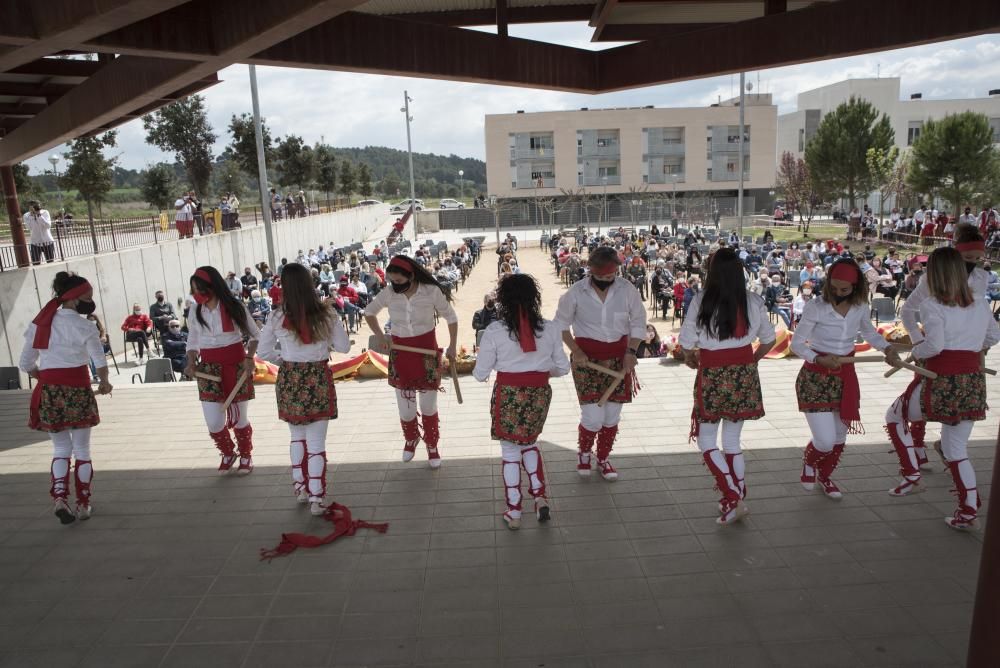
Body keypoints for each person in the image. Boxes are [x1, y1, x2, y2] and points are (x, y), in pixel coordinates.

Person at [884, 248, 1000, 528]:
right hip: (971, 381)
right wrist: (968, 347)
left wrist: (915, 350)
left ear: (934, 274)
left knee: (894, 416)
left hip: (940, 380)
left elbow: (934, 346)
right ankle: (968, 509)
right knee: (955, 448)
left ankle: (912, 474)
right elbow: (993, 335)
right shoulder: (980, 303)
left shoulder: (933, 304)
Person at [679, 248, 775, 524]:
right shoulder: (753, 301)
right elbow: (769, 339)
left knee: (706, 439)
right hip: (743, 374)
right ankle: (736, 495)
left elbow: (686, 341)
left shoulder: (700, 300)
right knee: (732, 440)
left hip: (712, 374)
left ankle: (732, 496)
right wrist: (751, 360)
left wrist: (689, 356)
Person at [791, 259, 900, 500]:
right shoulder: (816, 307)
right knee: (825, 440)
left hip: (845, 375)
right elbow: (797, 344)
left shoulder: (860, 306)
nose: (838, 294)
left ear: (856, 286)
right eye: (834, 288)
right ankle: (809, 462)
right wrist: (818, 359)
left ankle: (825, 476)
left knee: (840, 436)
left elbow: (869, 332)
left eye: (845, 290)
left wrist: (888, 349)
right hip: (816, 377)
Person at [473, 274, 569, 530]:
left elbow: (480, 374)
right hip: (538, 394)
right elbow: (562, 368)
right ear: (533, 298)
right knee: (529, 442)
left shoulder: (494, 331)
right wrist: (538, 371)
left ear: (503, 300)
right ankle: (539, 496)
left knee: (510, 451)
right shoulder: (550, 328)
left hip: (509, 396)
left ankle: (514, 509)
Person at [258, 263, 350, 516]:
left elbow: (263, 352)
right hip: (318, 377)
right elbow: (344, 347)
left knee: (296, 436)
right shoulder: (327, 314)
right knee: (316, 440)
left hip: (290, 378)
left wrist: (286, 360)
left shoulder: (276, 316)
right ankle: (316, 498)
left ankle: (301, 488)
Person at [20, 272, 112, 523]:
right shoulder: (85, 325)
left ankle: (60, 497)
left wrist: (47, 377)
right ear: (73, 298)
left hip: (49, 392)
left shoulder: (39, 323)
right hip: (79, 390)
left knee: (60, 448)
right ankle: (83, 503)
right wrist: (104, 382)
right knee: (82, 448)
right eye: (88, 297)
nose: (91, 301)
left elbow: (26, 363)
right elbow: (99, 360)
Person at [555, 246, 646, 482]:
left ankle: (603, 458)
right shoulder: (576, 293)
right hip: (587, 362)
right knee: (593, 416)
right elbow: (560, 326)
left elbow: (638, 322)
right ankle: (584, 452)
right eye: (604, 276)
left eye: (612, 275)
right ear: (592, 271)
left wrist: (631, 351)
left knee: (612, 416)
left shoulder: (627, 290)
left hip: (619, 360)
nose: (609, 280)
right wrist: (576, 350)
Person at [364, 255, 458, 468]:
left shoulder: (430, 291)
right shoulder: (389, 293)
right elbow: (369, 312)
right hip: (401, 353)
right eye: (391, 281)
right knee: (405, 407)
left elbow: (451, 317)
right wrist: (380, 336)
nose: (393, 285)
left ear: (411, 276)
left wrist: (452, 345)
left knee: (428, 405)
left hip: (426, 352)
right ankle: (411, 438)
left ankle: (432, 445)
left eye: (397, 281)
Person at [183, 266, 259, 475]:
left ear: (213, 286)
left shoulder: (234, 306)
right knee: (214, 421)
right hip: (207, 368)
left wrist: (249, 357)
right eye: (194, 290)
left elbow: (254, 335)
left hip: (235, 365)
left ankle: (245, 454)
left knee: (239, 418)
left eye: (200, 289)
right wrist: (191, 361)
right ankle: (227, 452)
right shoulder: (195, 310)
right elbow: (193, 340)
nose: (197, 294)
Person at [24, 200, 55, 264]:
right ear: (29, 207)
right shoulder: (26, 216)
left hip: (47, 241)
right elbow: (29, 227)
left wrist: (39, 216)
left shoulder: (45, 212)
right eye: (34, 206)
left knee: (50, 262)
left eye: (37, 205)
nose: (37, 207)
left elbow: (48, 226)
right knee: (35, 263)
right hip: (35, 242)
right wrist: (32, 216)